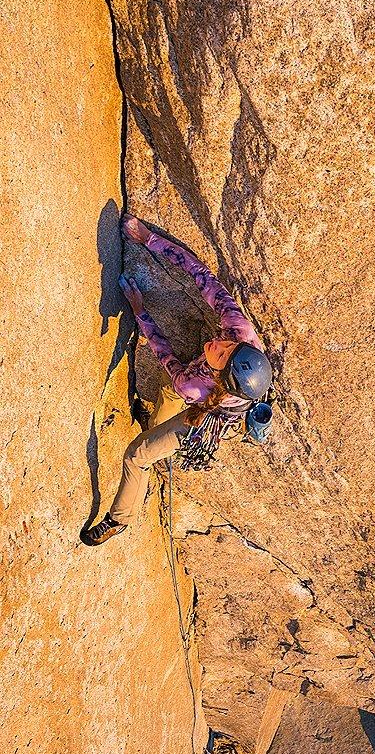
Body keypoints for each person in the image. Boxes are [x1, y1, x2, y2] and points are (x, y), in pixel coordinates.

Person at [82, 215, 273, 546]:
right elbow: (201, 275)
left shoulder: (195, 387)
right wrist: (148, 239)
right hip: (209, 390)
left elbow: (164, 354)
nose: (218, 343)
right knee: (164, 403)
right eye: (227, 344)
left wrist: (140, 310)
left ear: (217, 374)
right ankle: (154, 426)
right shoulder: (240, 330)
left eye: (221, 353)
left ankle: (120, 519)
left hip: (205, 411)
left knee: (137, 454)